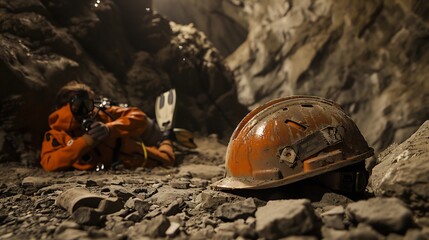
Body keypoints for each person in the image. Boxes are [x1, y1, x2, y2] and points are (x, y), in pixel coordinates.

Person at [40, 81, 175, 171]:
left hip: (129, 149)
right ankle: (166, 138)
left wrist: (110, 128)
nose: (87, 111)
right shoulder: (57, 134)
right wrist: (85, 142)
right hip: (125, 157)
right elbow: (49, 163)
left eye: (89, 104)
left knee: (167, 160)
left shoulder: (101, 114)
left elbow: (138, 116)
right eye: (81, 106)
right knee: (166, 160)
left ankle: (166, 139)